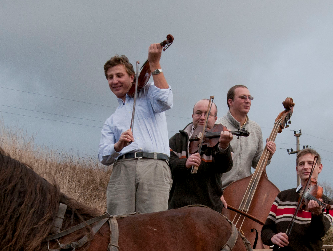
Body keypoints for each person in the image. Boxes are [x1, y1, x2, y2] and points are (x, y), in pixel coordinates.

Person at [98, 45, 173, 215]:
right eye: (110, 77)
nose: (114, 81)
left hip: (154, 166)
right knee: (118, 224)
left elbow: (166, 100)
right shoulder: (112, 119)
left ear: (132, 77)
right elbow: (103, 155)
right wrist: (118, 146)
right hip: (123, 168)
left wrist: (154, 65)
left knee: (153, 225)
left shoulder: (149, 94)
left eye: (119, 75)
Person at [168, 99, 233, 212]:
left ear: (215, 119)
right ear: (193, 115)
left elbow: (225, 167)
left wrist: (224, 147)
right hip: (179, 207)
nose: (202, 117)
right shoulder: (177, 139)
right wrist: (185, 164)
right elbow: (168, 165)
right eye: (198, 113)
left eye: (208, 114)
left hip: (210, 207)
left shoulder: (220, 140)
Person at [217, 85, 276, 189]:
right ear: (230, 102)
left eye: (250, 98)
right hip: (220, 191)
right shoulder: (218, 125)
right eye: (243, 97)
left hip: (245, 192)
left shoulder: (255, 129)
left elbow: (256, 164)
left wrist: (268, 154)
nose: (248, 101)